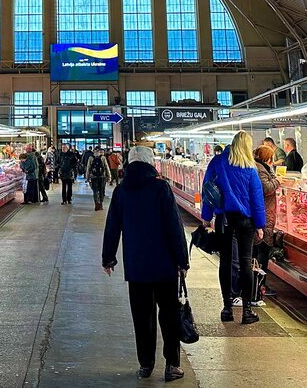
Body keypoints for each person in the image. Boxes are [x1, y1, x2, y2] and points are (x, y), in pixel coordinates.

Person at [101, 146, 189, 382]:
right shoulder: (161, 188)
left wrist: (108, 257)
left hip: (137, 266)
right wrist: (182, 260)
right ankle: (172, 365)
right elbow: (174, 227)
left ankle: (146, 364)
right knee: (169, 315)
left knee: (142, 316)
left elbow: (112, 226)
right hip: (165, 265)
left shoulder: (121, 191)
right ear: (151, 164)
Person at [201, 130, 266, 324]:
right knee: (246, 262)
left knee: (226, 262)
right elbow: (257, 198)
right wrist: (260, 224)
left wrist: (206, 216)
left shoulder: (218, 162)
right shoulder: (250, 168)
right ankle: (247, 311)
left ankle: (227, 308)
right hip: (246, 221)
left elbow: (208, 190)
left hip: (224, 219)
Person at [252, 144, 280, 303]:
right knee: (262, 250)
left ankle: (257, 284)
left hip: (263, 214)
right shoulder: (261, 169)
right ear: (268, 159)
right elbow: (266, 188)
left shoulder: (257, 167)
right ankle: (260, 285)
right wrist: (278, 180)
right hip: (264, 215)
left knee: (258, 250)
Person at [87, 147, 110, 211]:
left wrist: (87, 177)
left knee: (95, 191)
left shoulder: (91, 158)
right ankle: (101, 204)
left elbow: (88, 168)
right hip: (102, 177)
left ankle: (96, 204)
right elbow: (106, 167)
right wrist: (109, 176)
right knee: (101, 190)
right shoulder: (103, 158)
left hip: (93, 177)